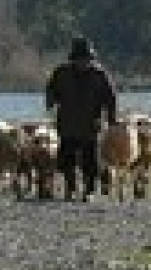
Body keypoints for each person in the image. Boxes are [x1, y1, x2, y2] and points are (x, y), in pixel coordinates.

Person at [44, 36, 119, 201]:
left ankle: (89, 190)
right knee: (66, 160)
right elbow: (51, 89)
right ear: (74, 59)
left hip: (90, 125)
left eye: (86, 59)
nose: (84, 63)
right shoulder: (61, 73)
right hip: (67, 124)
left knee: (90, 160)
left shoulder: (99, 75)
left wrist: (111, 118)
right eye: (80, 59)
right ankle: (70, 189)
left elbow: (111, 97)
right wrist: (50, 102)